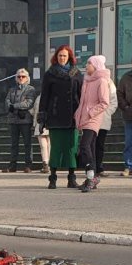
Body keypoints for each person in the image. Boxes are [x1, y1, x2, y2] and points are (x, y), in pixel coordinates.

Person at [38, 45, 84, 189]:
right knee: (56, 148)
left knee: (71, 148)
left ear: (69, 57)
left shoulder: (77, 73)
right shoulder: (50, 73)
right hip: (55, 115)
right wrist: (42, 117)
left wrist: (82, 115)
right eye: (59, 56)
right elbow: (45, 96)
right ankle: (52, 178)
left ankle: (71, 178)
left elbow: (81, 95)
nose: (62, 58)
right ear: (56, 57)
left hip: (72, 116)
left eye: (64, 56)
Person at [74, 55, 111, 192]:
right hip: (85, 119)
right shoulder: (87, 81)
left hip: (93, 119)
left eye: (89, 63)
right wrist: (78, 115)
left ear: (96, 65)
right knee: (91, 147)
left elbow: (104, 102)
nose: (86, 66)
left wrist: (90, 112)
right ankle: (93, 177)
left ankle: (91, 175)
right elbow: (83, 102)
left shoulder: (101, 81)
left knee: (84, 146)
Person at [4, 68, 37, 173]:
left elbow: (28, 103)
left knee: (27, 143)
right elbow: (7, 101)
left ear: (27, 78)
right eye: (19, 76)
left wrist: (14, 106)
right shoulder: (12, 89)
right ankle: (12, 165)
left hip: (25, 120)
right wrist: (12, 107)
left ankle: (28, 165)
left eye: (23, 76)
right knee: (14, 144)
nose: (21, 78)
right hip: (13, 120)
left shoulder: (30, 89)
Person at [95, 63, 118, 178]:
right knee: (89, 144)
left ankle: (99, 168)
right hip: (91, 119)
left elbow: (114, 100)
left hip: (103, 118)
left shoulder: (109, 82)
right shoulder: (89, 80)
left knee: (100, 144)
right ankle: (91, 167)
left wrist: (107, 113)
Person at [32, 95, 51, 174]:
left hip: (47, 123)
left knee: (48, 145)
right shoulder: (39, 97)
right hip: (42, 123)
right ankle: (46, 163)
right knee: (44, 145)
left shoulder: (40, 97)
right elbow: (35, 111)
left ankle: (48, 163)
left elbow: (35, 111)